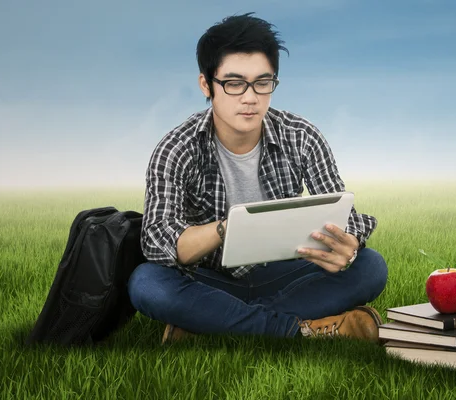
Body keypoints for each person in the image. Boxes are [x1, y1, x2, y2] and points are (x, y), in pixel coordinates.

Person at [127, 13, 388, 344]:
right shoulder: (177, 148)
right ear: (206, 85)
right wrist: (229, 227)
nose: (250, 98)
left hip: (284, 271)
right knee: (146, 282)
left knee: (370, 266)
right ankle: (299, 331)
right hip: (209, 277)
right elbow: (157, 241)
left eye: (262, 83)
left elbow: (344, 217)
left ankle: (207, 324)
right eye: (234, 83)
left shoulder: (302, 136)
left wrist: (348, 247)